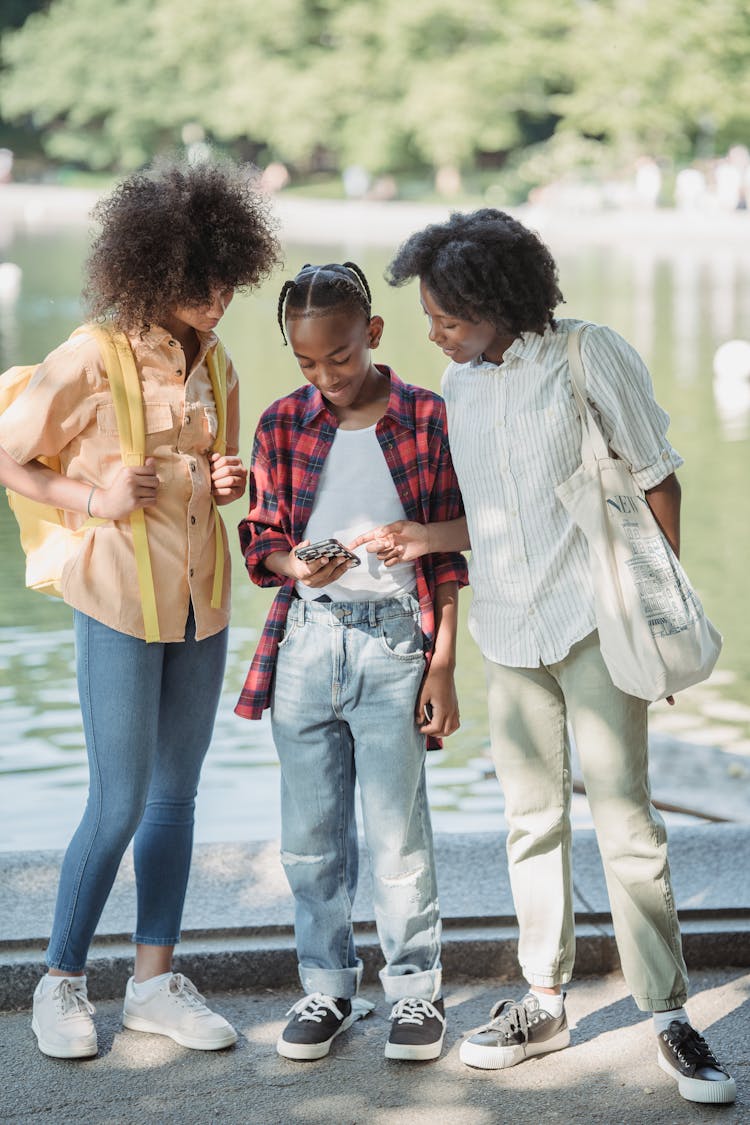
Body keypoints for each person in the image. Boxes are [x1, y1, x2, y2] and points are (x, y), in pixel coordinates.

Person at [351, 209, 736, 1105]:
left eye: (449, 314)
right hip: (510, 634)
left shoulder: (586, 354)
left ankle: (669, 1013)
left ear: (499, 301)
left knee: (627, 824)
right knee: (531, 821)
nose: (435, 331)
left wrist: (658, 617)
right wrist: (419, 536)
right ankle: (545, 999)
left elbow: (657, 478)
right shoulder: (460, 384)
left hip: (597, 622)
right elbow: (489, 521)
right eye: (433, 317)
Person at [0, 156, 280, 1059]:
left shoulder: (218, 362)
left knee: (176, 796)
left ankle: (154, 983)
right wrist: (96, 501)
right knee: (117, 799)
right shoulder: (90, 355)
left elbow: (214, 478)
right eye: (204, 283)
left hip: (202, 609)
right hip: (119, 604)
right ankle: (61, 982)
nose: (221, 298)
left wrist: (228, 478)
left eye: (230, 281)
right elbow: (13, 457)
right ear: (156, 271)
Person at [235, 262, 468, 1062]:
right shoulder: (280, 423)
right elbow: (261, 539)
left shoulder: (428, 418)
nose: (325, 376)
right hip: (306, 641)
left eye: (339, 356)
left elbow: (448, 548)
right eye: (306, 362)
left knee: (398, 833)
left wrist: (441, 663)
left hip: (398, 641)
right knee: (309, 834)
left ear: (371, 333)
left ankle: (413, 993)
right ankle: (329, 986)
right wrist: (298, 564)